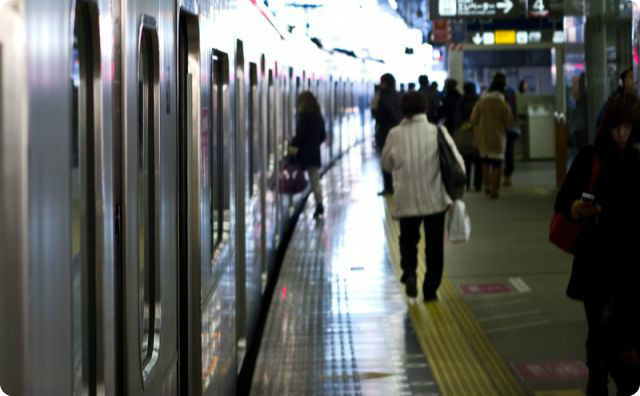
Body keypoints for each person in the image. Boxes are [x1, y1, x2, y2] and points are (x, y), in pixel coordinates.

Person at [554, 93, 640, 396]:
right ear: (606, 126)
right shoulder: (591, 157)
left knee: (627, 335)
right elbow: (563, 202)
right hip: (596, 258)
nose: (622, 134)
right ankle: (598, 382)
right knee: (598, 331)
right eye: (617, 127)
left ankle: (626, 384)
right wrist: (579, 209)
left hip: (632, 261)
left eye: (628, 127)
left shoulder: (637, 157)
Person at [381, 92, 465, 301]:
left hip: (406, 199)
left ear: (403, 110)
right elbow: (458, 164)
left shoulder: (394, 134)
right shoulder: (438, 132)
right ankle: (430, 290)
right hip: (435, 200)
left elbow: (386, 164)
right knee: (434, 246)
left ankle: (409, 273)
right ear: (425, 108)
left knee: (408, 241)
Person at [470, 73, 512, 198]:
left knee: (485, 162)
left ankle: (487, 185)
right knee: (497, 164)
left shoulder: (481, 102)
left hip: (483, 137)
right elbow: (508, 122)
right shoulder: (504, 104)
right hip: (498, 139)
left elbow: (473, 119)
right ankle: (495, 189)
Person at [291, 91, 327, 218]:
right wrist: (314, 144)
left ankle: (298, 204)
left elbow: (299, 136)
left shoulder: (303, 116)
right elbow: (323, 135)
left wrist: (292, 145)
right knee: (315, 180)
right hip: (314, 154)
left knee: (297, 178)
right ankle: (319, 204)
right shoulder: (318, 116)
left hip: (303, 154)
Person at [374, 73, 402, 196]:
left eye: (382, 82)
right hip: (398, 132)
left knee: (385, 160)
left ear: (385, 83)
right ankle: (396, 185)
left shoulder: (383, 97)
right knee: (397, 160)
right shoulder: (397, 95)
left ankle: (388, 187)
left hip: (385, 133)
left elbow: (378, 116)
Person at [454, 81, 482, 191]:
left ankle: (466, 184)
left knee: (466, 162)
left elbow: (457, 119)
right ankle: (478, 184)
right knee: (479, 161)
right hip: (478, 133)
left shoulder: (461, 101)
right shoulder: (479, 100)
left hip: (464, 134)